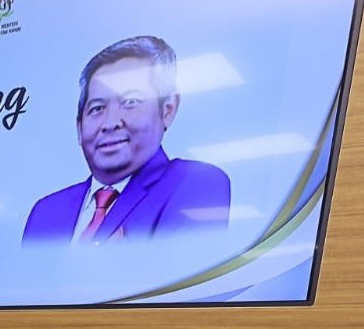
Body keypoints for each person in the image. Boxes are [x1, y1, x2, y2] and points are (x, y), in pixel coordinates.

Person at [22, 36, 230, 244]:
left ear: (167, 109)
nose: (110, 123)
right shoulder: (46, 212)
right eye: (97, 108)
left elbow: (183, 262)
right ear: (79, 127)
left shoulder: (197, 183)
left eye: (131, 102)